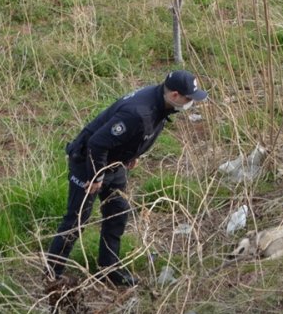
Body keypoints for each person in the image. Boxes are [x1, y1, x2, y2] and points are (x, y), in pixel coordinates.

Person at [45, 70, 208, 286]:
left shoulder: (161, 102)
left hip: (115, 164)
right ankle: (52, 274)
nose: (191, 104)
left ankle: (109, 269)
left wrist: (133, 154)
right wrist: (96, 176)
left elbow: (135, 134)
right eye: (189, 99)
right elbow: (97, 143)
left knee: (117, 213)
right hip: (89, 164)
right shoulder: (139, 112)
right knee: (75, 221)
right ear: (175, 95)